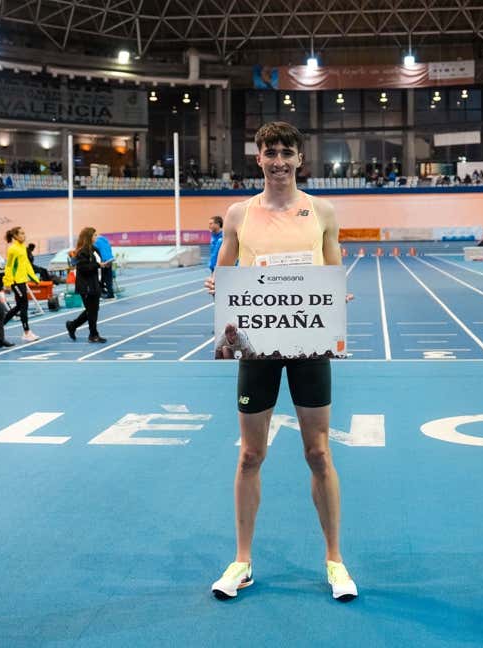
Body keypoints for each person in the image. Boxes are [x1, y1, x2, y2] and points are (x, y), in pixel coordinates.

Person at [204, 121, 357, 602]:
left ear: (299, 158)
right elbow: (224, 267)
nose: (278, 160)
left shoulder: (323, 211)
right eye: (269, 151)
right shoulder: (237, 213)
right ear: (258, 157)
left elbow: (332, 265)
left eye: (286, 151)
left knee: (318, 453)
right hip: (255, 342)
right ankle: (242, 561)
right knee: (251, 455)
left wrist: (335, 302)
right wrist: (218, 285)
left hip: (309, 342)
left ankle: (335, 561)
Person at [64, 227, 107, 343]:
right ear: (88, 237)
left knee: (93, 310)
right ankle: (93, 335)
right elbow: (82, 268)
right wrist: (98, 265)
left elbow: (97, 262)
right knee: (91, 311)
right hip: (86, 286)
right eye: (94, 235)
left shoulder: (93, 249)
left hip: (94, 284)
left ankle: (72, 325)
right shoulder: (82, 251)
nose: (96, 237)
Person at [2, 226, 40, 342]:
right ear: (15, 236)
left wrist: (34, 278)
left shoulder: (22, 247)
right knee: (24, 305)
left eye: (24, 233)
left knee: (20, 306)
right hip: (16, 282)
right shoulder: (12, 249)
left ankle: (0, 323)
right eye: (22, 234)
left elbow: (27, 264)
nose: (24, 235)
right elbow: (9, 266)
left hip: (22, 280)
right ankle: (26, 332)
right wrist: (8, 282)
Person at [93, 231, 116, 298]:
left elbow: (93, 250)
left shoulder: (96, 242)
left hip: (103, 261)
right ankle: (109, 292)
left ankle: (104, 292)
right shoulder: (105, 239)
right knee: (108, 278)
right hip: (110, 259)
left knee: (101, 278)